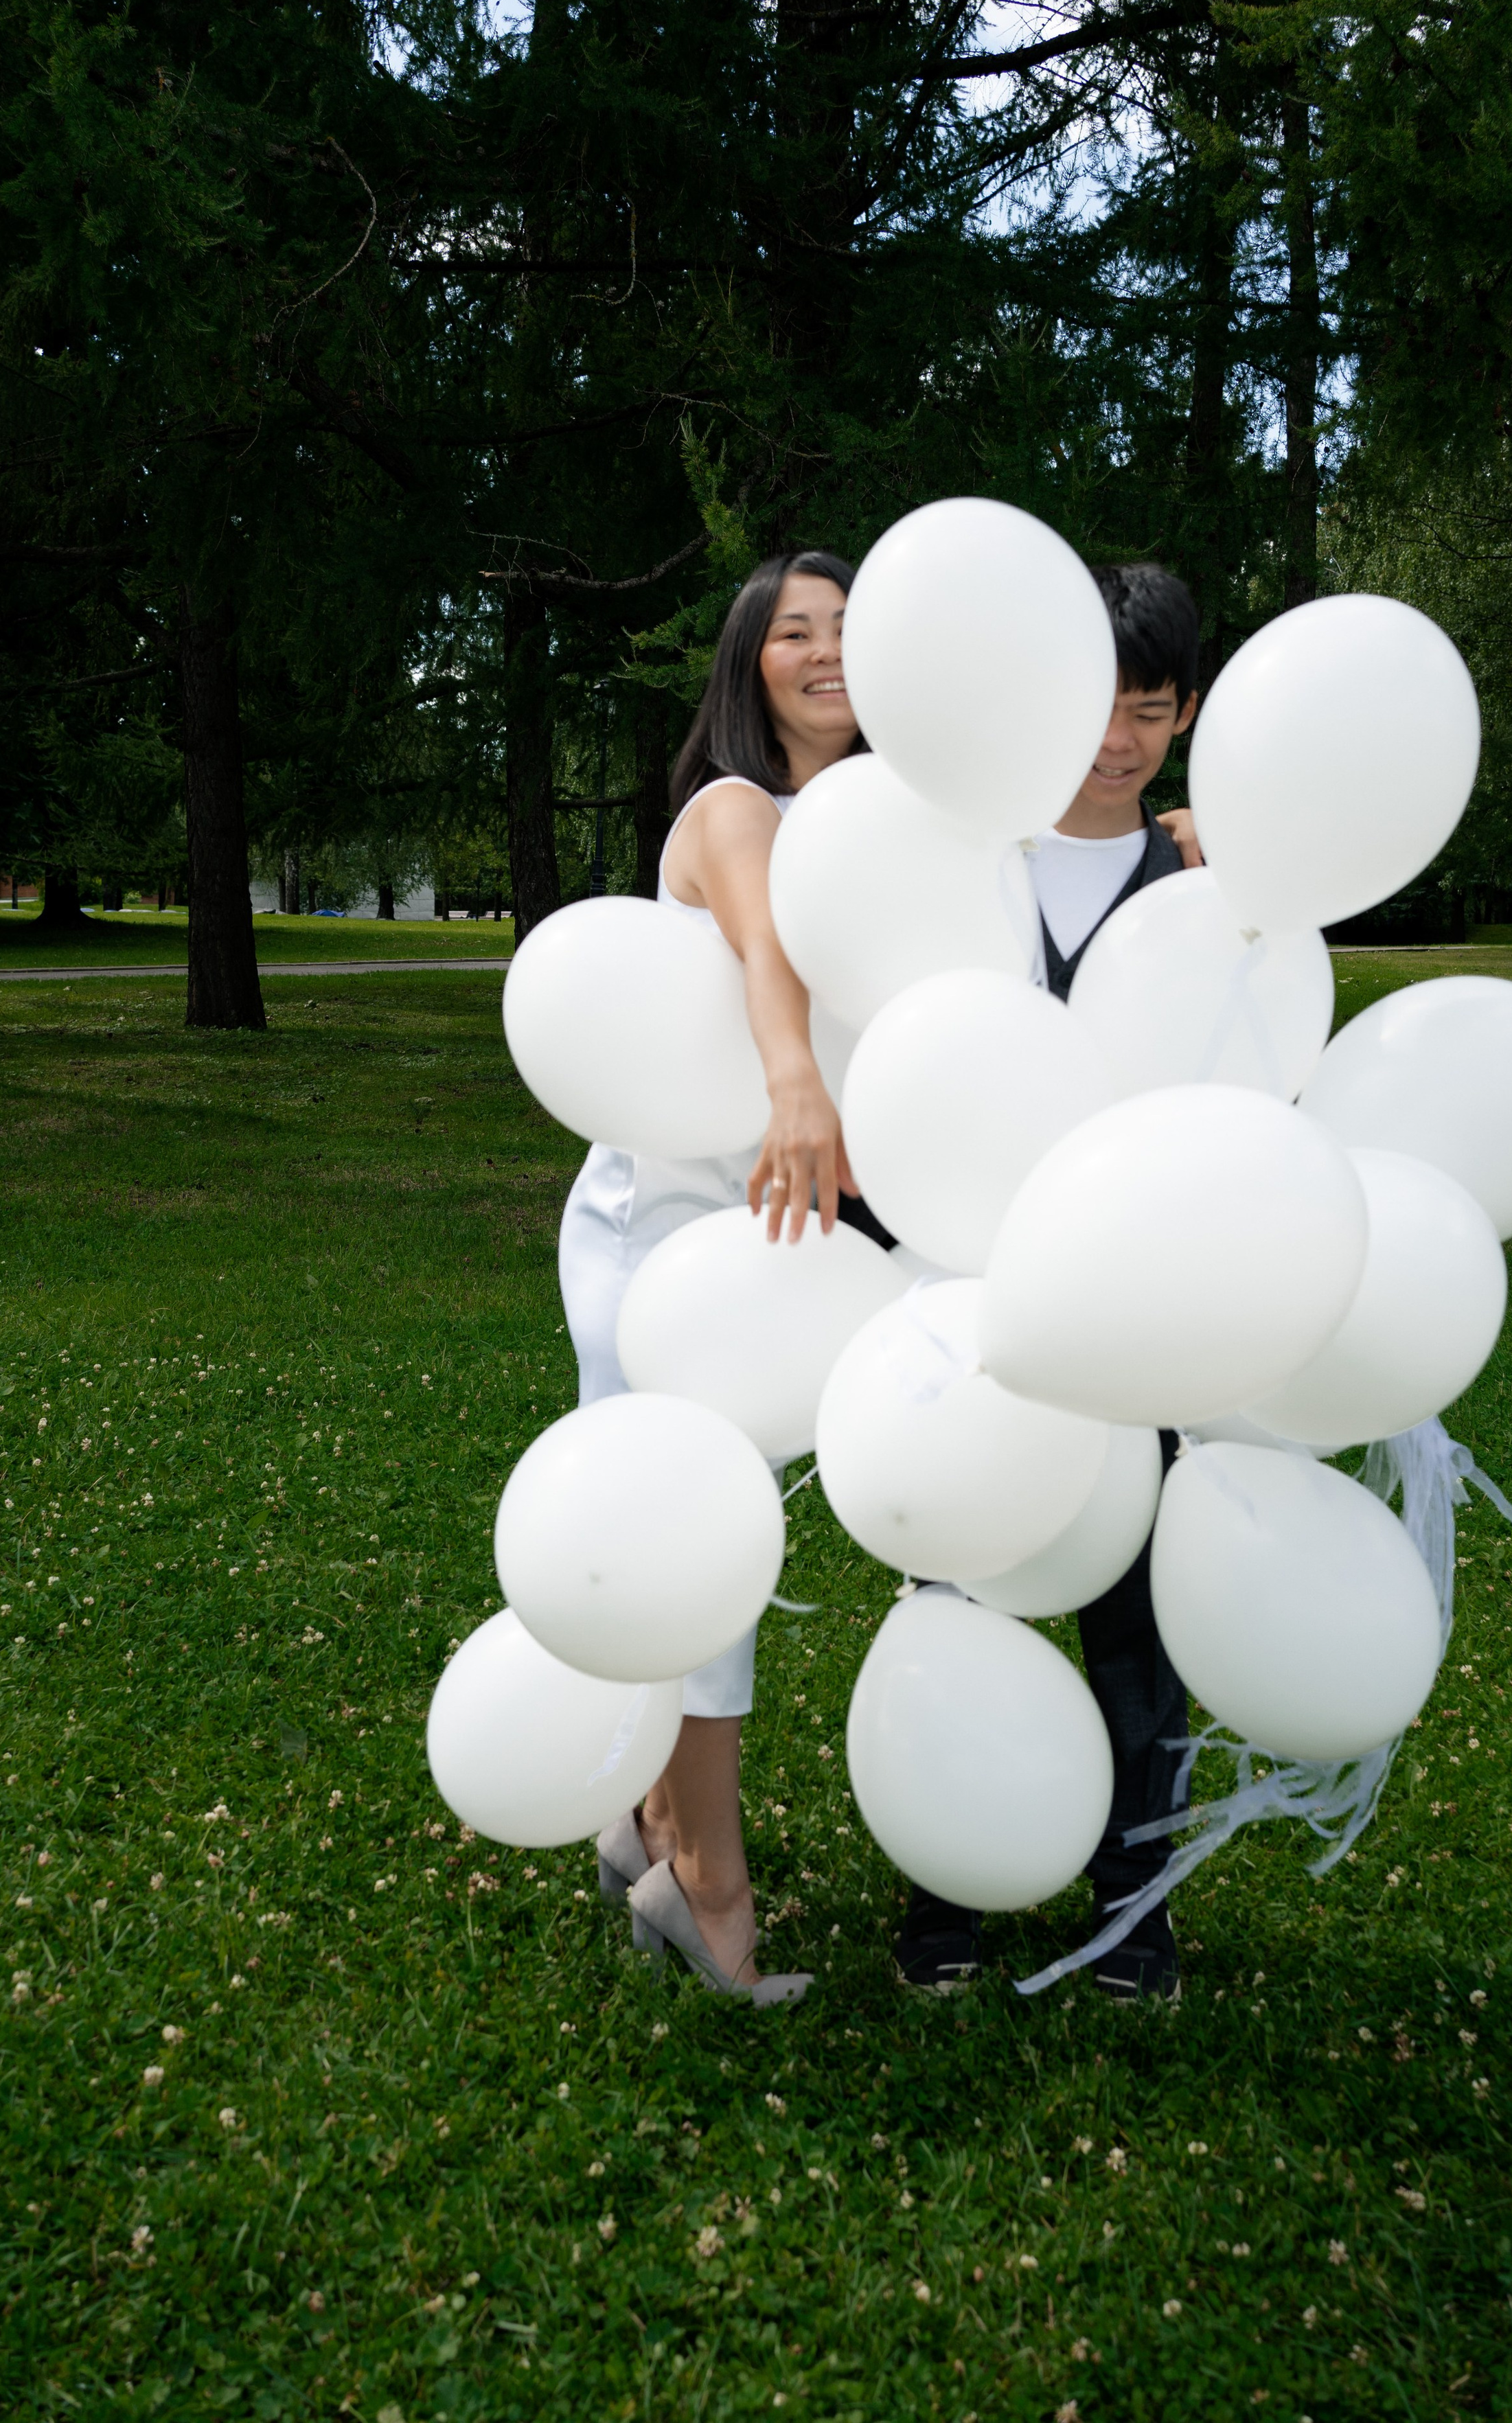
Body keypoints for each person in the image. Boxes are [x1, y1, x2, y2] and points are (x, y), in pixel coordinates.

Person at [891, 560, 1203, 2003]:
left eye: (1150, 708)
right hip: (971, 1288)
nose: (1117, 741)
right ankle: (943, 1887)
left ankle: (1135, 1907)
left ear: (1184, 715)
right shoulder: (965, 866)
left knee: (1137, 1608)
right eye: (1097, 705)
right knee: (957, 1576)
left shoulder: (1207, 889)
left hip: (1144, 1299)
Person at [560, 549, 863, 2006]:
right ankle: (708, 1891)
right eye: (794, 631)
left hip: (769, 1232)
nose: (827, 651)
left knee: (702, 1546)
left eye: (850, 628)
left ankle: (649, 1820)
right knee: (703, 1551)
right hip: (666, 1225)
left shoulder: (882, 827)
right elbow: (765, 949)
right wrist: (796, 1082)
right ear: (747, 664)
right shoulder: (736, 809)